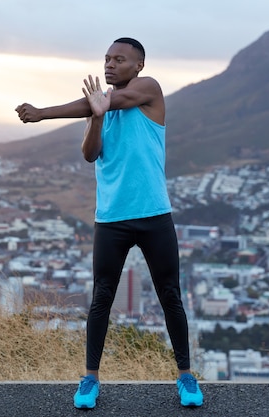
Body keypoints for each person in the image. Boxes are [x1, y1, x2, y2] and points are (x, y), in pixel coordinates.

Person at [15, 37, 203, 409]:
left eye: (120, 59)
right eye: (107, 59)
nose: (110, 64)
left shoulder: (148, 90)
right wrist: (96, 118)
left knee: (170, 296)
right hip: (112, 218)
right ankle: (90, 379)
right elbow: (90, 153)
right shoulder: (100, 106)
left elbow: (111, 100)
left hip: (153, 214)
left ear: (139, 66)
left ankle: (185, 376)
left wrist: (42, 113)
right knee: (101, 298)